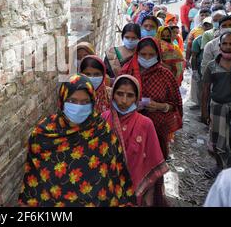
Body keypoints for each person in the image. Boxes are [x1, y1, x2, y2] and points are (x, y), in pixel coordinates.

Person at [18, 74, 136, 207]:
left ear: (93, 103)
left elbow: (116, 172)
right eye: (73, 101)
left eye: (85, 102)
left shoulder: (101, 130)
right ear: (62, 101)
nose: (79, 107)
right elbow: (33, 179)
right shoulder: (44, 134)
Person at [102, 75, 168, 206]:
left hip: (133, 184)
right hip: (104, 184)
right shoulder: (103, 119)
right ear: (112, 94)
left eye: (130, 95)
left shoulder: (145, 124)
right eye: (119, 94)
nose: (124, 101)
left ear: (137, 98)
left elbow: (153, 160)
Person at [119, 37, 183, 162]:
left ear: (158, 55)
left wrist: (160, 106)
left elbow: (175, 104)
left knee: (154, 161)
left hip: (157, 128)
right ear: (137, 54)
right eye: (143, 54)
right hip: (129, 126)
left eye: (151, 55)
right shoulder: (127, 71)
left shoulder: (165, 75)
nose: (147, 58)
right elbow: (116, 97)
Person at [201, 32, 231, 177]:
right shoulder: (212, 66)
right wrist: (204, 112)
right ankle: (219, 166)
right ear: (219, 46)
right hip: (217, 108)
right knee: (216, 141)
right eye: (225, 43)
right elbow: (206, 90)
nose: (228, 46)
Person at [189, 17, 214, 108]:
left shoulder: (220, 38)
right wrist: (195, 70)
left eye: (209, 25)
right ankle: (201, 105)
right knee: (201, 87)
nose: (207, 27)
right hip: (202, 67)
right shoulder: (198, 40)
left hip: (215, 68)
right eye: (205, 25)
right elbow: (194, 56)